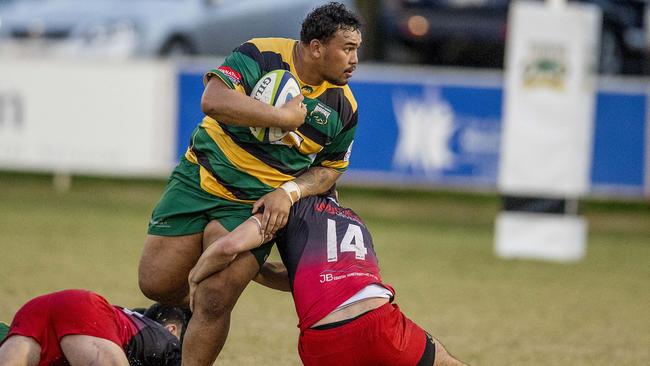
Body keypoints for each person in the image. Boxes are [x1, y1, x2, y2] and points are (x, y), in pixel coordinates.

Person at [137, 2, 363, 364]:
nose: (354, 60)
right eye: (348, 49)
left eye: (357, 50)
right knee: (157, 283)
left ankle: (217, 304)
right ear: (317, 47)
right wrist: (281, 117)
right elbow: (212, 100)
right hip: (200, 178)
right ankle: (237, 284)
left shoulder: (343, 108)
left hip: (256, 205)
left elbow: (331, 168)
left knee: (215, 300)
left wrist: (288, 193)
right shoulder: (260, 54)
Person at [188, 194, 466, 366]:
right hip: (380, 327)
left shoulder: (284, 208)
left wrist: (195, 276)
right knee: (445, 362)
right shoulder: (356, 221)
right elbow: (323, 278)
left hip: (321, 344)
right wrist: (258, 272)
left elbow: (228, 247)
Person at [0, 289, 184, 366]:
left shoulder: (132, 324)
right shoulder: (169, 344)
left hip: (33, 311)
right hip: (83, 312)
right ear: (172, 329)